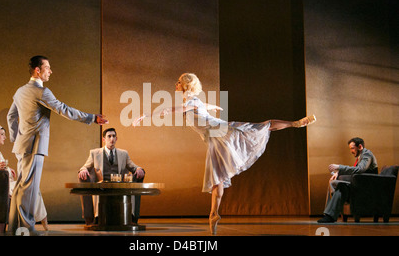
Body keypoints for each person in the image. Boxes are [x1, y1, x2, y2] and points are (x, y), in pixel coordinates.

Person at [132, 73, 316, 234]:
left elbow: (169, 110)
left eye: (179, 82)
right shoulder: (192, 102)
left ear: (186, 85)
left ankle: (296, 123)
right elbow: (199, 105)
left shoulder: (190, 102)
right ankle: (213, 214)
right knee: (217, 177)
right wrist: (212, 106)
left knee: (260, 126)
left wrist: (146, 116)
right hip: (214, 140)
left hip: (221, 132)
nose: (176, 84)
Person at [7, 55, 108, 235]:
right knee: (28, 190)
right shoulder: (41, 92)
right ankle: (27, 230)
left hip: (22, 146)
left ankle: (16, 229)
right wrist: (92, 118)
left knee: (20, 189)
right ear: (38, 70)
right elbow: (64, 110)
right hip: (34, 146)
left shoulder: (20, 91)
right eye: (47, 68)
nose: (50, 71)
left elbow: (11, 117)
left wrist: (17, 138)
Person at [78, 128, 145, 225]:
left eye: (114, 136)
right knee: (97, 191)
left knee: (130, 188)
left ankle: (130, 218)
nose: (112, 139)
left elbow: (132, 166)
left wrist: (139, 169)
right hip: (102, 186)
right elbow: (85, 166)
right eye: (109, 136)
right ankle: (96, 219)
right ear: (104, 139)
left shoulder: (123, 153)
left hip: (119, 186)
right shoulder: (94, 153)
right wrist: (83, 170)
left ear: (116, 138)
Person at [318, 137, 378, 223]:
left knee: (339, 185)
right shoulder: (361, 157)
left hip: (366, 189)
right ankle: (328, 215)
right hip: (359, 186)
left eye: (353, 148)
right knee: (339, 186)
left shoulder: (367, 154)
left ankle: (329, 215)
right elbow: (355, 170)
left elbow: (360, 169)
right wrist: (338, 173)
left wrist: (339, 167)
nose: (351, 151)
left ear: (360, 147)